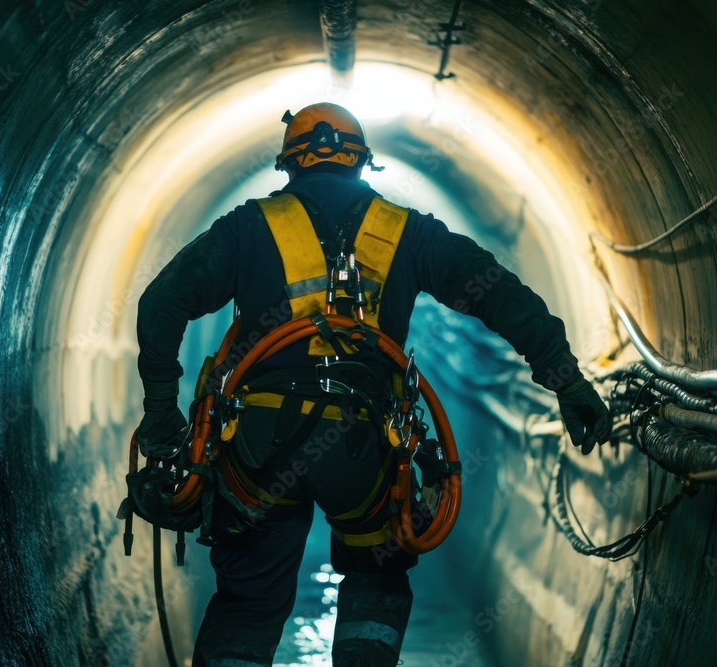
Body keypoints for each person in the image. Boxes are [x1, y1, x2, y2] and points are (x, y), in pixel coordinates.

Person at [135, 103, 612, 667]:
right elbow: (501, 297)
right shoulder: (409, 233)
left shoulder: (249, 226)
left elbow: (161, 303)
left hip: (260, 443)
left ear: (290, 164)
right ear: (362, 163)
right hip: (363, 445)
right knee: (376, 576)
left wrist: (163, 412)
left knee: (248, 602)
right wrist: (568, 381)